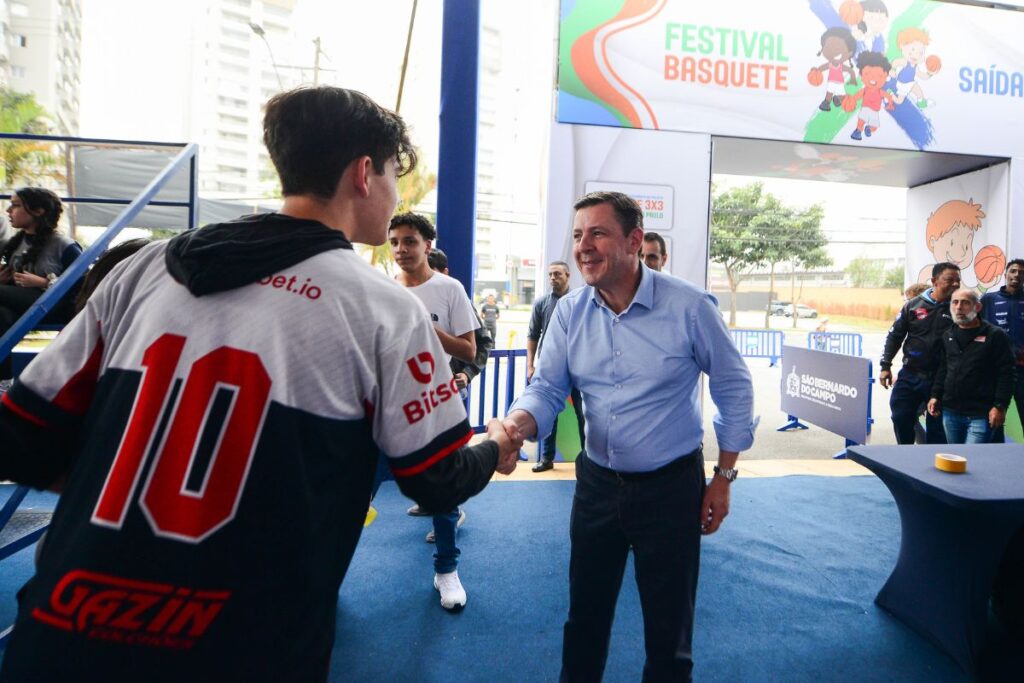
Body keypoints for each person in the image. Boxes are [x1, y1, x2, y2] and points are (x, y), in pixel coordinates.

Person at [0, 86, 519, 680]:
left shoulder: (143, 268)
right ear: (364, 174)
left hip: (67, 626)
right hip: (247, 643)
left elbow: (21, 437)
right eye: (395, 179)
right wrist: (495, 446)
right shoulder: (381, 307)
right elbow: (437, 475)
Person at [504, 191, 756, 680]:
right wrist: (515, 426)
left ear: (634, 240)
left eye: (598, 233)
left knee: (669, 633)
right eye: (578, 235)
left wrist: (723, 475)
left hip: (672, 489)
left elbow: (734, 384)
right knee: (584, 620)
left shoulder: (688, 306)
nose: (584, 247)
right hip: (596, 487)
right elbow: (547, 388)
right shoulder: (570, 313)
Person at [389, 211, 482, 612]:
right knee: (358, 489)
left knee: (444, 493)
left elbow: (469, 350)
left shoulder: (449, 288)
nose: (400, 250)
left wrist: (426, 329)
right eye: (394, 242)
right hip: (390, 404)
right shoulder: (384, 288)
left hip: (437, 403)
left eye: (409, 241)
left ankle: (447, 570)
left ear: (428, 245)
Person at [0, 188, 83, 380]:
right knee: (1, 315)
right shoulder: (15, 242)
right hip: (21, 304)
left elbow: (83, 284)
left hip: (54, 305)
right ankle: (4, 378)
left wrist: (46, 282)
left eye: (16, 205)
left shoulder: (63, 244)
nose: (9, 211)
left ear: (38, 211)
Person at [880, 262, 959, 445]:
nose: (955, 284)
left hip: (941, 380)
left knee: (937, 427)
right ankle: (906, 456)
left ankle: (934, 466)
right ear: (934, 281)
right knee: (900, 417)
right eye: (949, 280)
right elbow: (895, 337)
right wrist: (885, 366)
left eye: (958, 281)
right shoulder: (913, 306)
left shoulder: (959, 307)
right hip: (910, 375)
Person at [927, 288, 1014, 443]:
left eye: (965, 302)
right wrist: (935, 395)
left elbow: (1006, 373)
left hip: (981, 414)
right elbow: (944, 369)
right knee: (956, 459)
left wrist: (1000, 406)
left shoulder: (995, 335)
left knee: (973, 461)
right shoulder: (948, 335)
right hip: (950, 412)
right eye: (955, 302)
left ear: (978, 307)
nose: (959, 307)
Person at [527, 260, 585, 473]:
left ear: (568, 276)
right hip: (550, 368)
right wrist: (530, 366)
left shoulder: (580, 302)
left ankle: (589, 460)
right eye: (550, 275)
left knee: (584, 413)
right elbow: (532, 336)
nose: (553, 278)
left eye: (557, 274)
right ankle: (546, 458)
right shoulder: (541, 303)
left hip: (579, 366)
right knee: (549, 414)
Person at [980, 258, 1024, 440]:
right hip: (995, 370)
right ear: (1005, 274)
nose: (1017, 276)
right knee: (994, 417)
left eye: (1021, 273)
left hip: (1022, 370)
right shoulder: (988, 299)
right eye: (1013, 271)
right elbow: (976, 328)